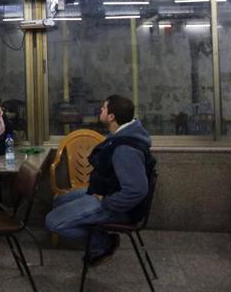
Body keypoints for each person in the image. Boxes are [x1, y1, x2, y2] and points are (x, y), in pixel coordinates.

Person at [45, 94, 154, 265]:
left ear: (111, 117)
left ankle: (103, 242)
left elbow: (136, 190)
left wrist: (107, 202)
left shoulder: (125, 149)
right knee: (59, 201)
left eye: (103, 108)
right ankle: (94, 229)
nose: (100, 111)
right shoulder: (124, 134)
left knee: (52, 222)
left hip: (118, 207)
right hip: (107, 192)